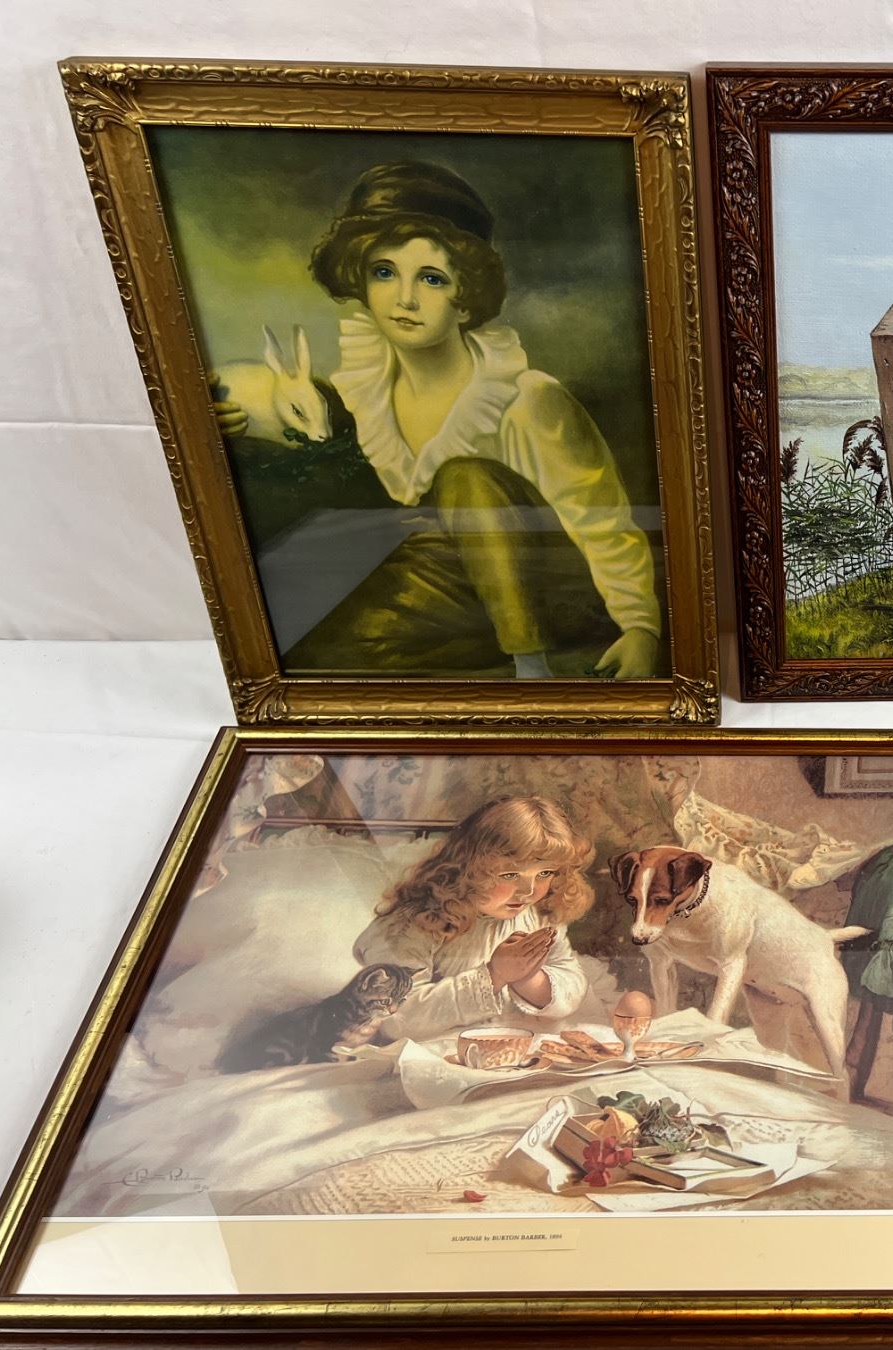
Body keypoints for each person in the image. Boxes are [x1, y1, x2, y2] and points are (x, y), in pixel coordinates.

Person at [218, 160, 662, 679]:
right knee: (320, 646)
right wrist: (227, 421)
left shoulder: (524, 398)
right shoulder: (362, 392)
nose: (404, 299)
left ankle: (531, 667)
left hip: (553, 586)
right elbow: (297, 426)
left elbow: (603, 523)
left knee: (465, 478)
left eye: (431, 278)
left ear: (465, 297)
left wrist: (641, 628)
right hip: (455, 583)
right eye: (384, 272)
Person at [353, 796, 593, 1042]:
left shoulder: (538, 915)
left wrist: (529, 979)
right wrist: (495, 976)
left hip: (513, 1041)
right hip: (432, 1047)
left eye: (545, 873)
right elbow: (396, 1020)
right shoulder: (417, 922)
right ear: (469, 868)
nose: (528, 891)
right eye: (510, 874)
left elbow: (570, 977)